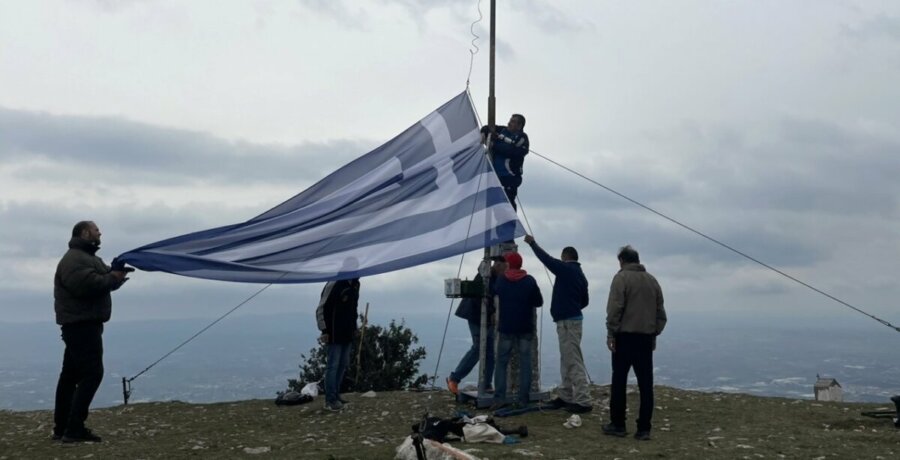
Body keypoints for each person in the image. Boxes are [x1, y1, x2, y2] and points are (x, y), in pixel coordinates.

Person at [53, 221, 131, 443]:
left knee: (70, 376)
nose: (100, 233)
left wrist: (117, 274)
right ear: (85, 233)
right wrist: (112, 276)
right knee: (92, 373)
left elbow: (104, 281)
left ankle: (62, 428)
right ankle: (73, 429)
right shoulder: (74, 259)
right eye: (96, 230)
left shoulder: (88, 258)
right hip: (81, 325)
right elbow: (88, 285)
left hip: (82, 324)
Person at [603, 245, 667, 441]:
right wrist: (654, 334)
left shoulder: (621, 278)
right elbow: (660, 314)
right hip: (645, 339)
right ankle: (644, 429)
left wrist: (611, 333)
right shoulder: (652, 281)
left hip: (625, 337)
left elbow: (615, 308)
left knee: (619, 381)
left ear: (622, 261)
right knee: (646, 385)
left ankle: (618, 424)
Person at [523, 235, 591, 413]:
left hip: (568, 322)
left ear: (565, 257)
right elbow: (585, 301)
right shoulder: (581, 275)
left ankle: (583, 400)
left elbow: (546, 259)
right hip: (572, 320)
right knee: (567, 358)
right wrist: (572, 306)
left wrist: (532, 244)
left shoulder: (566, 269)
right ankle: (566, 395)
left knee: (573, 360)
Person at [447, 256, 508, 395]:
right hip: (475, 316)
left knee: (490, 351)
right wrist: (492, 311)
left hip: (487, 318)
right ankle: (454, 378)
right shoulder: (484, 276)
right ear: (498, 265)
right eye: (504, 269)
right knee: (478, 347)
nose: (505, 272)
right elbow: (479, 299)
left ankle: (486, 384)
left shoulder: (496, 277)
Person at [491, 252, 543, 409]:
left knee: (501, 362)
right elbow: (539, 301)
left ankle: (499, 398)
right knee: (525, 362)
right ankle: (523, 399)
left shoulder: (502, 280)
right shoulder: (529, 281)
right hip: (525, 327)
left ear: (508, 264)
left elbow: (494, 291)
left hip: (506, 327)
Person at [316, 277, 361, 411]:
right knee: (333, 365)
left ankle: (336, 395)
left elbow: (353, 308)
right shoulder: (334, 283)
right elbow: (321, 308)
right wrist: (324, 329)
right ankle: (330, 400)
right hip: (334, 331)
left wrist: (355, 327)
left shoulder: (356, 284)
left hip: (347, 332)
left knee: (343, 364)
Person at [481, 114, 529, 210]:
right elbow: (488, 128)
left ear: (519, 126)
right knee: (493, 207)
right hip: (495, 177)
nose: (509, 123)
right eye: (510, 120)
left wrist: (494, 145)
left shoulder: (522, 138)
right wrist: (483, 133)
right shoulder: (502, 130)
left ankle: (511, 224)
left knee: (507, 206)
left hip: (509, 178)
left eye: (513, 122)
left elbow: (511, 150)